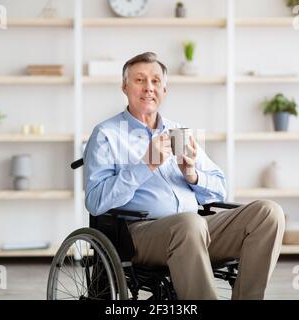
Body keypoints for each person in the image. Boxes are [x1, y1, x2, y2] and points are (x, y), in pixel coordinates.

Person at [83, 52, 285, 300]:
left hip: (196, 228)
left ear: (165, 90)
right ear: (125, 86)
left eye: (156, 81)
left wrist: (192, 175)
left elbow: (220, 187)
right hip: (140, 235)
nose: (149, 88)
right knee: (189, 224)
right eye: (140, 80)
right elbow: (95, 201)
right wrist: (145, 166)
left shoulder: (178, 132)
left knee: (268, 213)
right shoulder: (107, 134)